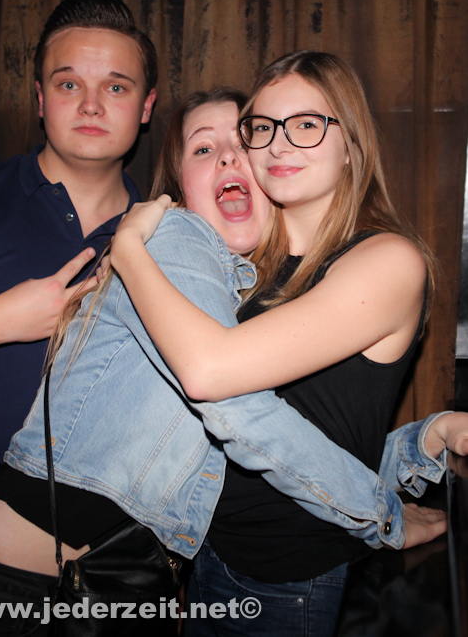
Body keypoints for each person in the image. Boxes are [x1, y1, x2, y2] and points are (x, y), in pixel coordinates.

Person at [0, 88, 460, 636]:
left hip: (106, 583)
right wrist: (385, 517)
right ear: (181, 185)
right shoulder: (178, 239)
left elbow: (288, 452)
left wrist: (417, 445)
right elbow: (243, 413)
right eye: (203, 149)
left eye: (243, 141)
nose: (230, 158)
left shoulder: (240, 292)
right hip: (19, 589)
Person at [109, 53, 465, 636]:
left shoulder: (387, 261)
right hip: (210, 554)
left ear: (350, 143)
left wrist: (128, 251)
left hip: (287, 584)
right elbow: (310, 431)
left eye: (305, 124)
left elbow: (208, 373)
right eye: (264, 127)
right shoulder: (253, 264)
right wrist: (418, 444)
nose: (278, 144)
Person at [0, 0, 157, 545]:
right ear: (41, 99)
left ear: (146, 107)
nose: (91, 105)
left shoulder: (169, 243)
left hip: (91, 559)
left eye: (116, 87)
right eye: (68, 85)